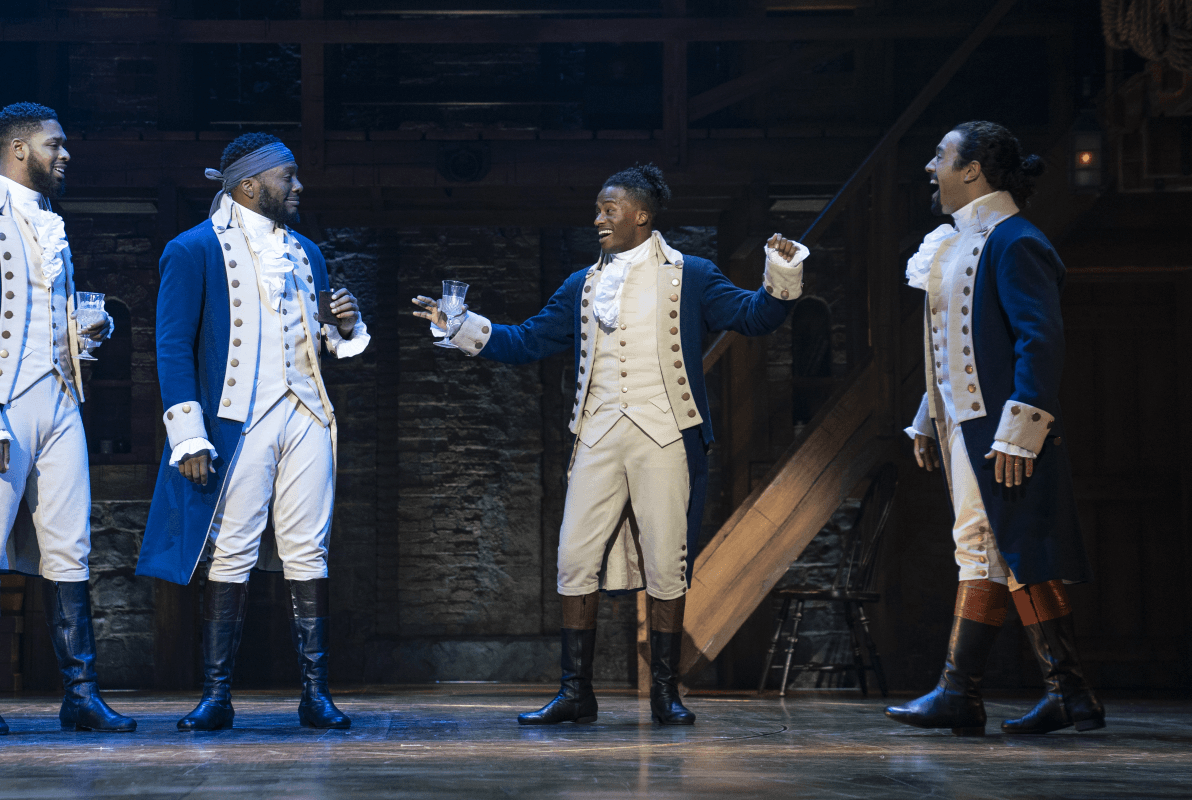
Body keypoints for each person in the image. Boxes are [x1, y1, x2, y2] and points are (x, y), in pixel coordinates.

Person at [412, 164, 805, 726]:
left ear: (642, 214)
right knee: (574, 558)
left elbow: (754, 315)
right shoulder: (582, 284)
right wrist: (460, 326)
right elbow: (527, 340)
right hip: (596, 432)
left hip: (666, 432)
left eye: (609, 209)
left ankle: (665, 694)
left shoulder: (689, 275)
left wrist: (782, 271)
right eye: (597, 209)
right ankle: (577, 693)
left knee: (667, 561)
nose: (598, 218)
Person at [0, 102, 135, 735]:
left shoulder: (50, 223)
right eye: (54, 145)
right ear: (18, 149)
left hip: (62, 402)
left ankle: (81, 695)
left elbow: (46, 319)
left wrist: (83, 331)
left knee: (69, 547)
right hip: (0, 406)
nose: (65, 155)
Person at [137, 132, 369, 731]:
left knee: (307, 547)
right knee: (233, 548)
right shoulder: (193, 250)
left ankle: (315, 694)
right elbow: (171, 346)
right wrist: (188, 433)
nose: (299, 187)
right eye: (287, 177)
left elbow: (322, 341)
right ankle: (217, 695)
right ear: (248, 185)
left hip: (307, 413)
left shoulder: (306, 252)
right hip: (239, 417)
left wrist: (345, 324)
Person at [885, 121, 1104, 736]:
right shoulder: (958, 242)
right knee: (992, 550)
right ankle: (1059, 693)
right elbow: (951, 349)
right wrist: (930, 415)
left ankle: (972, 691)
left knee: (998, 549)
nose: (931, 168)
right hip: (966, 425)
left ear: (973, 168)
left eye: (940, 157)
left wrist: (1021, 427)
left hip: (1001, 430)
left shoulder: (1016, 240)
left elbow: (1041, 338)